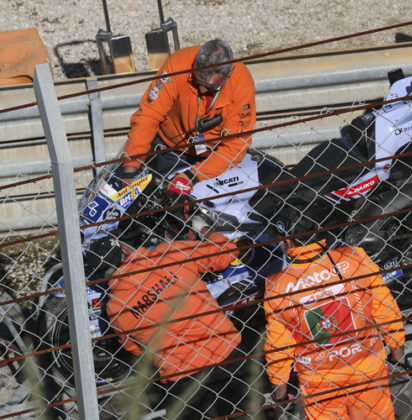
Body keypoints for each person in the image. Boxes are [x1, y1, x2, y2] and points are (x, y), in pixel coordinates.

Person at [104, 230, 250, 418]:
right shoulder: (169, 254)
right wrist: (206, 230)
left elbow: (135, 348)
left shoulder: (116, 308)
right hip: (226, 351)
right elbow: (224, 252)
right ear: (125, 248)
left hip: (182, 376)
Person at [264, 235, 407, 419]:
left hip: (319, 381)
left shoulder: (277, 286)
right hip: (367, 367)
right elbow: (385, 309)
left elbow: (279, 346)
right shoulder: (354, 257)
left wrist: (280, 394)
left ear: (287, 241)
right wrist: (398, 356)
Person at [119, 39, 256, 194]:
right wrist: (130, 168)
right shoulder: (178, 63)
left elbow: (235, 145)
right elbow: (148, 115)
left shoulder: (241, 84)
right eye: (197, 81)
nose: (202, 90)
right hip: (170, 148)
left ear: (229, 72)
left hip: (215, 158)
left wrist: (192, 175)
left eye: (210, 87)